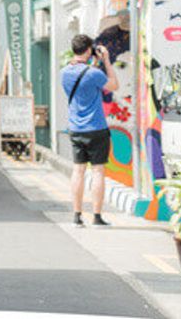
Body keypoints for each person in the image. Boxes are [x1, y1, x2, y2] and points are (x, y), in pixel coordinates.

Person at [60, 34, 119, 228]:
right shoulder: (95, 74)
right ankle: (97, 216)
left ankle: (77, 216)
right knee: (98, 172)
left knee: (78, 170)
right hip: (96, 128)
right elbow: (113, 85)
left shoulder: (64, 72)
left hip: (76, 128)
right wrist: (106, 61)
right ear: (88, 50)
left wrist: (93, 63)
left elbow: (84, 79)